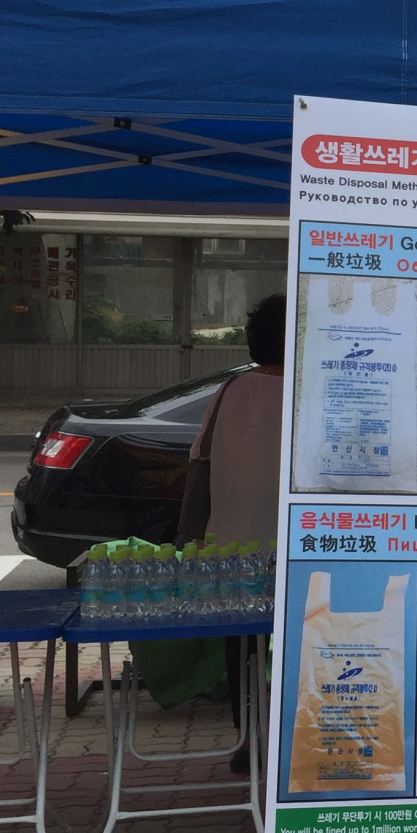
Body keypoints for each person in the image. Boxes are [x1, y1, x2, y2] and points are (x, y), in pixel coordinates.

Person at [174, 294, 285, 770]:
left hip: (233, 546)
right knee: (302, 639)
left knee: (241, 645)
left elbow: (199, 465)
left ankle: (246, 742)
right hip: (298, 548)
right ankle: (297, 738)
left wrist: (189, 540)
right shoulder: (318, 392)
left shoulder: (229, 392)